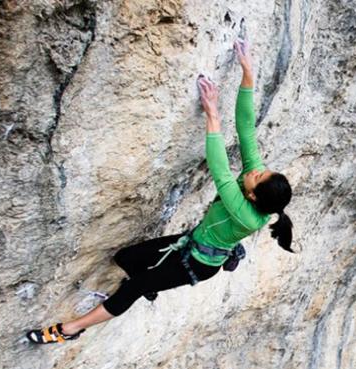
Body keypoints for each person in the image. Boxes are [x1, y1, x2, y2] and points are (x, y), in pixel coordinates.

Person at [27, 40, 293, 344]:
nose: (256, 170)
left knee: (134, 287)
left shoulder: (245, 213)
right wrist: (247, 73)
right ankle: (166, 276)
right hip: (196, 240)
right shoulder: (254, 189)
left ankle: (69, 330)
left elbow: (219, 170)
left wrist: (212, 116)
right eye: (262, 170)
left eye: (258, 176)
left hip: (197, 263)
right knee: (125, 258)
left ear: (253, 197)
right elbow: (247, 130)